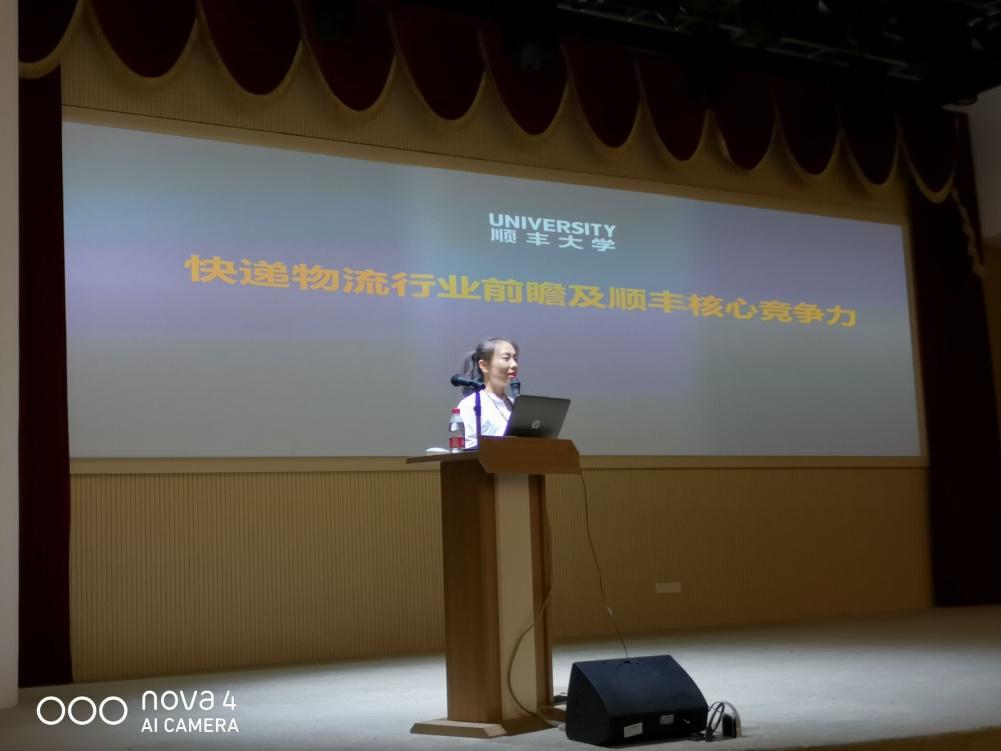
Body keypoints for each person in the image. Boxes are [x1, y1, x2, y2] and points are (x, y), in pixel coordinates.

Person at [456, 337, 519, 449]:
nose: (514, 364)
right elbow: (467, 450)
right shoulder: (469, 404)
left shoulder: (514, 403)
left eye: (515, 359)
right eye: (506, 358)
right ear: (483, 365)